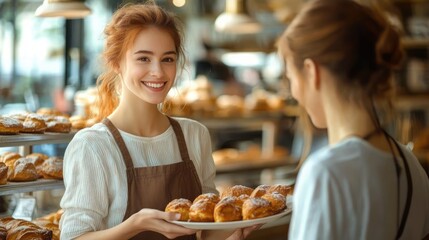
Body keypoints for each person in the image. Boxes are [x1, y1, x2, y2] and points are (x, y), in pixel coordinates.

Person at [59, 2, 257, 240]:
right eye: (143, 59)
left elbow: (205, 231)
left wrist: (237, 232)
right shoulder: (93, 146)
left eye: (167, 59)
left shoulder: (195, 135)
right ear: (116, 63)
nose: (159, 72)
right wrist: (134, 225)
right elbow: (73, 237)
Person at [276, 0, 429, 239]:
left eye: (290, 78)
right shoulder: (412, 167)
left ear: (311, 71)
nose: (293, 93)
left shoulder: (325, 174)